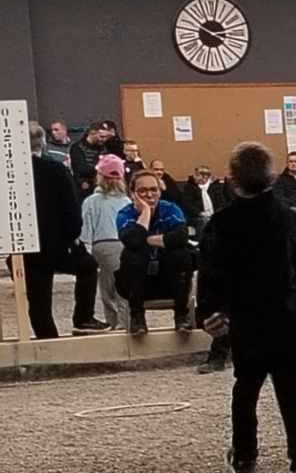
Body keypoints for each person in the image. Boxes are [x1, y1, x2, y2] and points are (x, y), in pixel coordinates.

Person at [196, 139, 296, 473]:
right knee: (294, 394)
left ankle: (246, 458)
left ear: (232, 179)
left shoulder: (221, 223)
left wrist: (209, 312)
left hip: (245, 319)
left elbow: (211, 272)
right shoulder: (292, 219)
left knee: (246, 388)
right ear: (272, 177)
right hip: (287, 317)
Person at [21, 122, 84, 338]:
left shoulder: (10, 174)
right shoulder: (56, 169)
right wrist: (72, 235)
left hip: (24, 245)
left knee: (38, 300)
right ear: (43, 142)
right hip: (56, 243)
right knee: (88, 268)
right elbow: (71, 207)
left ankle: (47, 338)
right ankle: (83, 317)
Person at [114, 162, 193, 335]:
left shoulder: (170, 209)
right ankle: (137, 318)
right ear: (132, 193)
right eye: (142, 191)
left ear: (160, 191)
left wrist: (146, 239)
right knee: (133, 254)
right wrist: (145, 213)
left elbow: (181, 237)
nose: (149, 195)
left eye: (153, 190)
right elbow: (132, 241)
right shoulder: (125, 213)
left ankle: (181, 316)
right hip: (137, 282)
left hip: (168, 277)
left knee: (181, 254)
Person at [80, 153, 132, 329]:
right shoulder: (126, 201)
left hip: (102, 244)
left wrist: (86, 248)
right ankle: (125, 321)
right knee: (124, 285)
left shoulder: (91, 202)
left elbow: (85, 229)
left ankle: (116, 323)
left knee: (108, 288)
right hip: (125, 243)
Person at [179, 163, 225, 238]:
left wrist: (216, 214)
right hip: (197, 216)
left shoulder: (215, 187)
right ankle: (202, 243)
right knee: (204, 221)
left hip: (214, 214)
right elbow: (187, 204)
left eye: (197, 175)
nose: (194, 177)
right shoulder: (190, 187)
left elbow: (221, 202)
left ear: (205, 177)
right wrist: (200, 213)